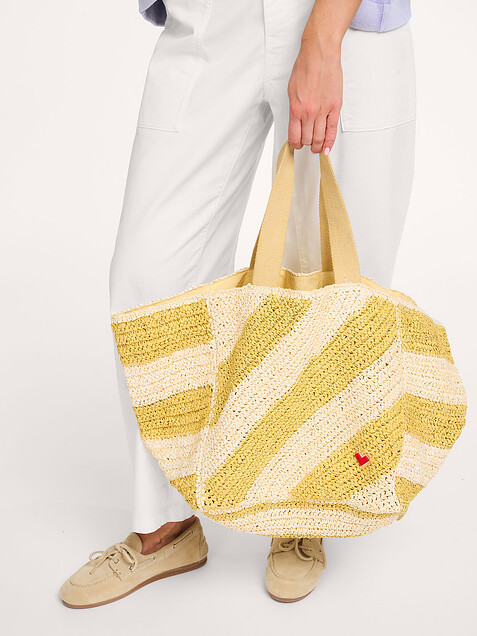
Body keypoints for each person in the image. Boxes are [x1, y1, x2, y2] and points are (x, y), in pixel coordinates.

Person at [60, 0, 415, 607]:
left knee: (326, 278)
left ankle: (302, 507)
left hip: (336, 20)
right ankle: (166, 523)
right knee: (149, 274)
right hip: (209, 19)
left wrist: (324, 38)